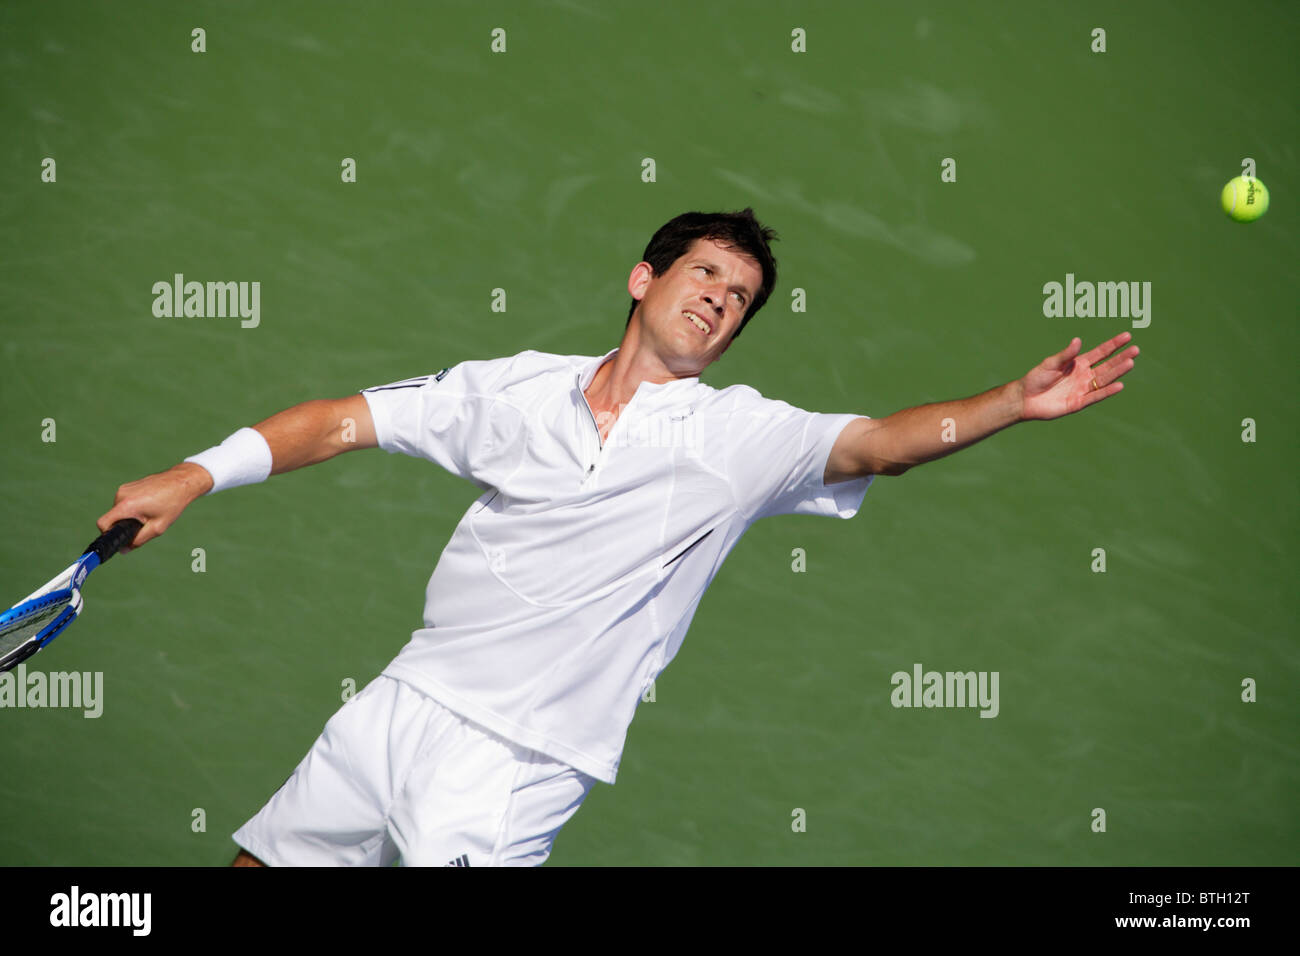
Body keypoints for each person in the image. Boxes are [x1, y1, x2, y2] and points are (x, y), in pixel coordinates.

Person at [96, 208, 1138, 866]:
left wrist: (1008, 400)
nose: (721, 302)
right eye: (706, 277)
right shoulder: (512, 390)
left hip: (518, 763)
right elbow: (336, 420)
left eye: (739, 300)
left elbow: (879, 446)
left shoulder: (742, 437)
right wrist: (193, 477)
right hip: (398, 705)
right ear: (644, 278)